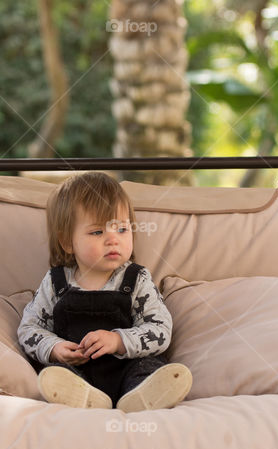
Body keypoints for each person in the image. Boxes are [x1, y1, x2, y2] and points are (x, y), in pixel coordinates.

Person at [18, 171, 192, 411]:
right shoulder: (56, 282)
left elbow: (161, 330)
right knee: (55, 372)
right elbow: (29, 328)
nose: (113, 240)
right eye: (98, 232)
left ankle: (142, 397)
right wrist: (54, 348)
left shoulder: (136, 279)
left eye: (121, 229)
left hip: (129, 367)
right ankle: (84, 399)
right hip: (78, 371)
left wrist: (119, 340)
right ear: (67, 242)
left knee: (148, 368)